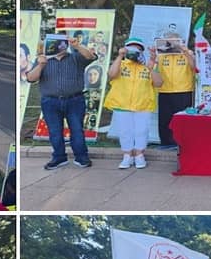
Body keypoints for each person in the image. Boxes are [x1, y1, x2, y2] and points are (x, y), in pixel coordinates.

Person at [24, 33, 97, 170]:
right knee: (55, 131)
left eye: (62, 43)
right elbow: (30, 78)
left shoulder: (75, 57)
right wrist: (40, 65)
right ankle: (59, 157)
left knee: (77, 129)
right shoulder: (42, 60)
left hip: (74, 99)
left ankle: (81, 157)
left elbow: (90, 56)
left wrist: (77, 46)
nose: (58, 46)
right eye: (55, 43)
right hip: (50, 101)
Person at [105, 37, 163, 170]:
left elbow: (159, 83)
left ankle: (139, 154)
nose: (133, 50)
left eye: (137, 48)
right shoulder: (121, 64)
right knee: (125, 131)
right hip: (122, 104)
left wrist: (150, 68)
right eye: (130, 48)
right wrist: (120, 56)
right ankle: (127, 155)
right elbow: (112, 74)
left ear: (141, 51)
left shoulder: (147, 65)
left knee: (141, 131)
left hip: (143, 105)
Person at [153, 32, 196, 149]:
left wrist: (185, 51)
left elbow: (194, 67)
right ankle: (166, 143)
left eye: (174, 41)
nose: (171, 44)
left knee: (182, 119)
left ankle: (184, 143)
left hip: (184, 90)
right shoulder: (160, 55)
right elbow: (153, 70)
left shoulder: (187, 53)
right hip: (165, 91)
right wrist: (154, 57)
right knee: (165, 119)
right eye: (168, 41)